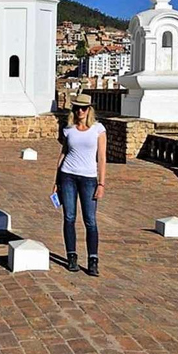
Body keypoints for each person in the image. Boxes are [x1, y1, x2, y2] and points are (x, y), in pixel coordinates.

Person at [53, 93, 107, 276]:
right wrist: (56, 180)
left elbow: (102, 157)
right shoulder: (69, 129)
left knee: (90, 221)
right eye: (77, 108)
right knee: (69, 217)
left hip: (89, 179)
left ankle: (93, 260)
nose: (80, 111)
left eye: (83, 108)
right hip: (68, 176)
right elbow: (63, 154)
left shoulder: (98, 129)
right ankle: (72, 257)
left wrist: (101, 184)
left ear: (89, 109)